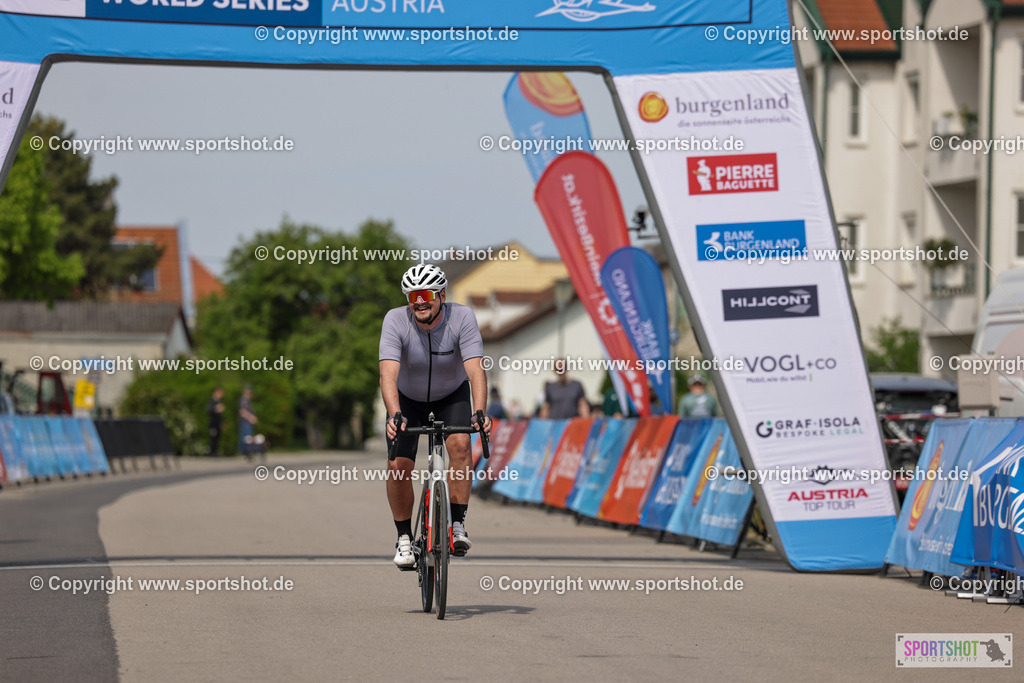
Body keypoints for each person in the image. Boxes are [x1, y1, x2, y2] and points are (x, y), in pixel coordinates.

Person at [380, 264, 491, 569]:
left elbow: (475, 368)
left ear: (441, 295)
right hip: (408, 399)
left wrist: (480, 411)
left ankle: (457, 524)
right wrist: (394, 414)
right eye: (413, 295)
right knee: (398, 464)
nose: (419, 302)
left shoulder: (463, 317)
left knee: (460, 446)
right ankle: (404, 539)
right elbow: (388, 373)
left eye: (426, 294)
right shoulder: (395, 320)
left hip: (450, 394)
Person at [238, 386, 258, 458]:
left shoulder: (246, 400)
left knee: (248, 438)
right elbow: (242, 412)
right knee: (246, 438)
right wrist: (251, 418)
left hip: (247, 422)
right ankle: (244, 453)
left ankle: (247, 453)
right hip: (245, 422)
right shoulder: (244, 400)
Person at [206, 387, 225, 456]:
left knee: (217, 438)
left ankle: (215, 452)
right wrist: (217, 409)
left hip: (217, 423)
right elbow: (209, 411)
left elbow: (220, 415)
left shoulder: (218, 402)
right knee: (213, 438)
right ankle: (212, 453)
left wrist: (221, 423)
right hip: (213, 423)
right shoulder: (212, 401)